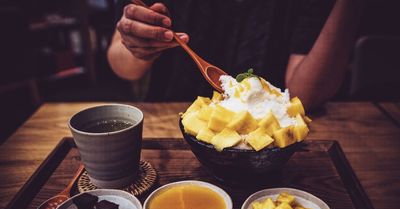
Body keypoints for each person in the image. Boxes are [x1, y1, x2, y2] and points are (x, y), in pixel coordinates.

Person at [107, 0, 363, 109]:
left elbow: (303, 97)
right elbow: (123, 66)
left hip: (267, 132)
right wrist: (139, 47)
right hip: (171, 122)